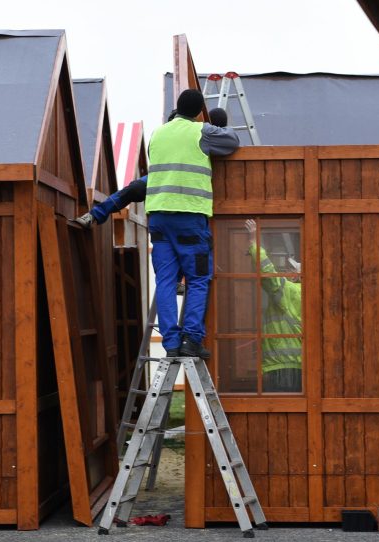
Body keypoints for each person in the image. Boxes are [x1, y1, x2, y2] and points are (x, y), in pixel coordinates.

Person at [147, 90, 239, 358]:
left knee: (165, 281)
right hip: (189, 217)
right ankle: (192, 340)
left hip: (159, 218)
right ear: (200, 111)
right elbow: (232, 141)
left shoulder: (157, 134)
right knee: (198, 279)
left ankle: (171, 344)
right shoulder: (201, 132)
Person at [74, 108, 230, 228]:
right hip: (174, 184)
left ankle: (95, 214)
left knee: (133, 189)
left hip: (183, 187)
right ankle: (94, 215)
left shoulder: (204, 134)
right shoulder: (201, 133)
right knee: (135, 188)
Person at [245, 219, 303, 392]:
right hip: (299, 365)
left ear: (297, 275)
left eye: (290, 270)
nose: (286, 272)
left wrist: (253, 241)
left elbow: (267, 271)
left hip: (282, 367)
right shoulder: (307, 293)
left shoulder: (289, 290)